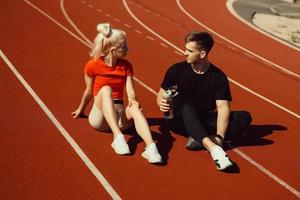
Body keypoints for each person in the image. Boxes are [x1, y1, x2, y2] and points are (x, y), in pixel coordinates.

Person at [157, 31, 252, 170]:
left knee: (244, 117)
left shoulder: (218, 77)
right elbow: (160, 94)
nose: (184, 53)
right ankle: (215, 150)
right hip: (178, 119)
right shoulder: (176, 69)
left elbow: (223, 108)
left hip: (202, 117)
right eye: (186, 49)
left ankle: (199, 138)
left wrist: (219, 136)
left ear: (202, 54)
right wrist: (161, 102)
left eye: (189, 50)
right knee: (188, 107)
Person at [72, 23, 162, 164]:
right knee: (106, 89)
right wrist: (81, 109)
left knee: (134, 108)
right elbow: (89, 90)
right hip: (100, 119)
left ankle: (151, 147)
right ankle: (118, 137)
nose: (127, 49)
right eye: (123, 46)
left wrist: (133, 101)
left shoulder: (126, 66)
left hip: (120, 118)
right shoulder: (92, 65)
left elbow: (130, 91)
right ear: (113, 50)